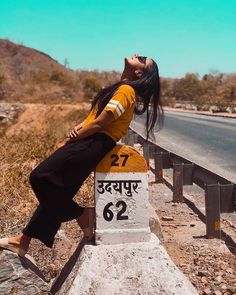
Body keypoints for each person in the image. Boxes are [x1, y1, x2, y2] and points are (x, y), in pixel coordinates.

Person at [0, 54, 163, 257]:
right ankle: (22, 242)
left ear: (140, 72)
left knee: (40, 177)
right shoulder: (121, 88)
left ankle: (83, 215)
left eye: (142, 58)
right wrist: (79, 130)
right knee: (60, 192)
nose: (137, 54)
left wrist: (73, 138)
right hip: (93, 143)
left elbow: (101, 122)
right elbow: (95, 119)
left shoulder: (126, 90)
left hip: (94, 142)